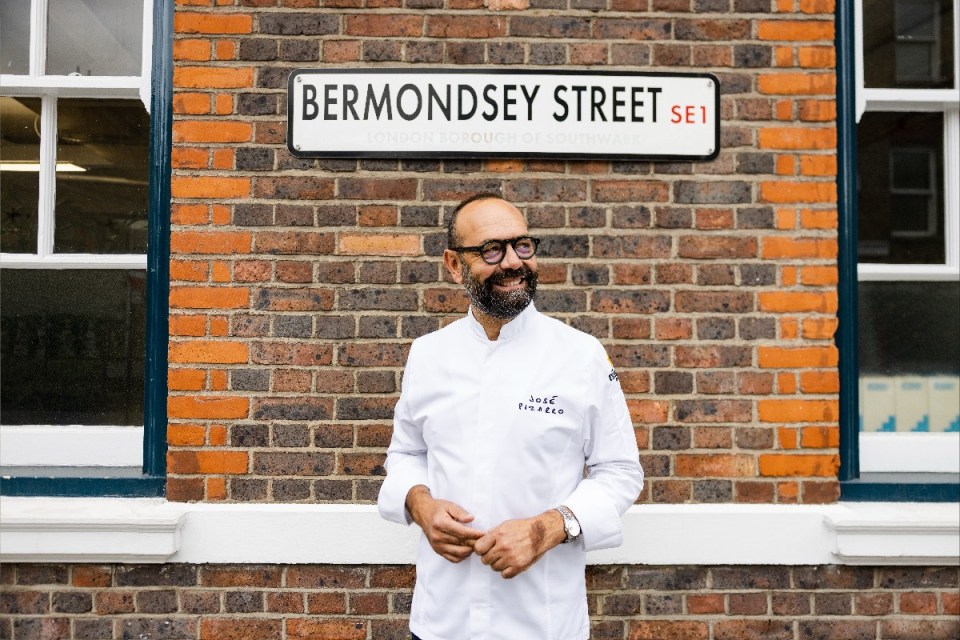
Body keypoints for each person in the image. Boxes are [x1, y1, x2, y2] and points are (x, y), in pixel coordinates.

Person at [377, 193, 644, 640]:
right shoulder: (427, 355)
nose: (512, 262)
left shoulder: (580, 356)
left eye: (522, 246)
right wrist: (420, 505)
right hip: (443, 619)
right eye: (490, 250)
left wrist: (548, 528)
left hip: (542, 622)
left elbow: (619, 471)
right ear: (453, 264)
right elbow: (406, 454)